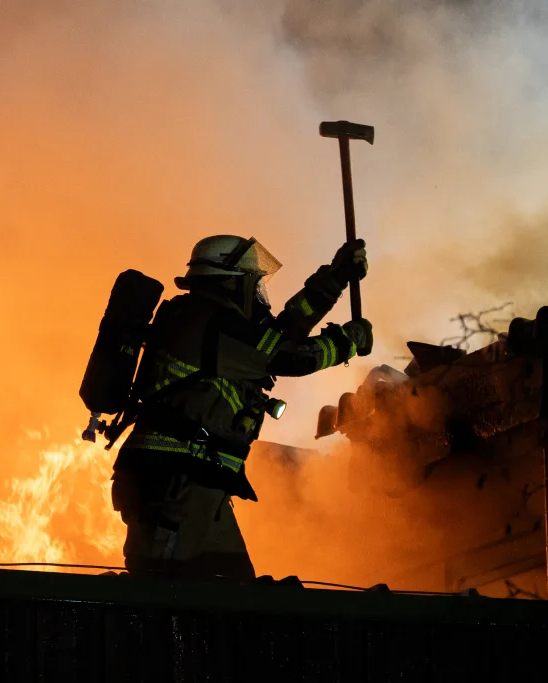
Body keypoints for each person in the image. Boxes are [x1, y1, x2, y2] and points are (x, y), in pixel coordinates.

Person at [110, 235, 372, 580]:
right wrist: (348, 340)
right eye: (253, 282)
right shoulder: (208, 322)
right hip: (173, 485)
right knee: (164, 590)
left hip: (199, 484)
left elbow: (284, 330)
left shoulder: (214, 322)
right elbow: (287, 355)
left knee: (234, 592)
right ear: (231, 281)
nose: (258, 292)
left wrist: (336, 277)